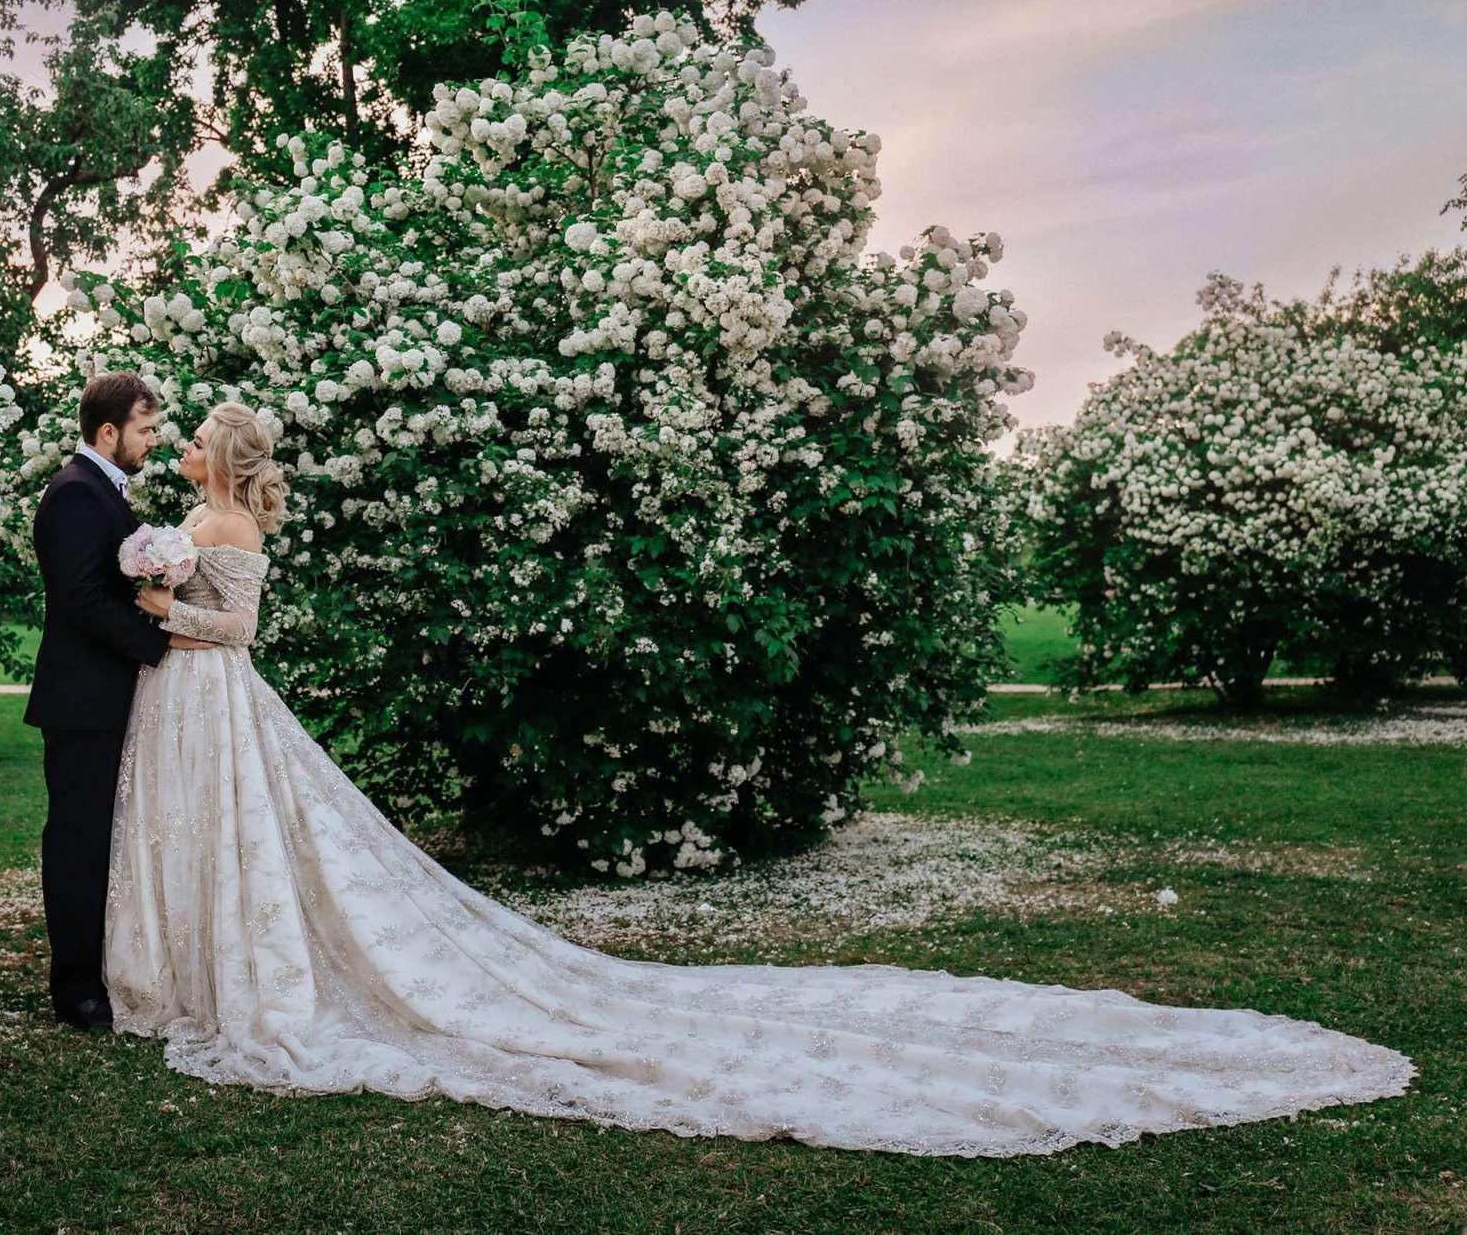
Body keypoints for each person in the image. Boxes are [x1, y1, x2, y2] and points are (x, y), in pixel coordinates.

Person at [99, 399, 1415, 1155]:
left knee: (242, 842)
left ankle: (233, 978)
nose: (192, 457)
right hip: (205, 701)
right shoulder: (226, 516)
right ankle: (212, 965)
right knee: (234, 843)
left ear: (221, 461)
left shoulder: (213, 525)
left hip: (214, 683)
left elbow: (239, 627)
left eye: (199, 444)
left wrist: (162, 606)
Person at [23, 371, 214, 1031]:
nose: (153, 439)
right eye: (144, 428)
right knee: (76, 842)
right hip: (80, 701)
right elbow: (80, 600)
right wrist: (159, 639)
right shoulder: (76, 494)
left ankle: (103, 967)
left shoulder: (102, 490)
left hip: (105, 697)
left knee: (103, 839)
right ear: (109, 432)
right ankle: (75, 987)